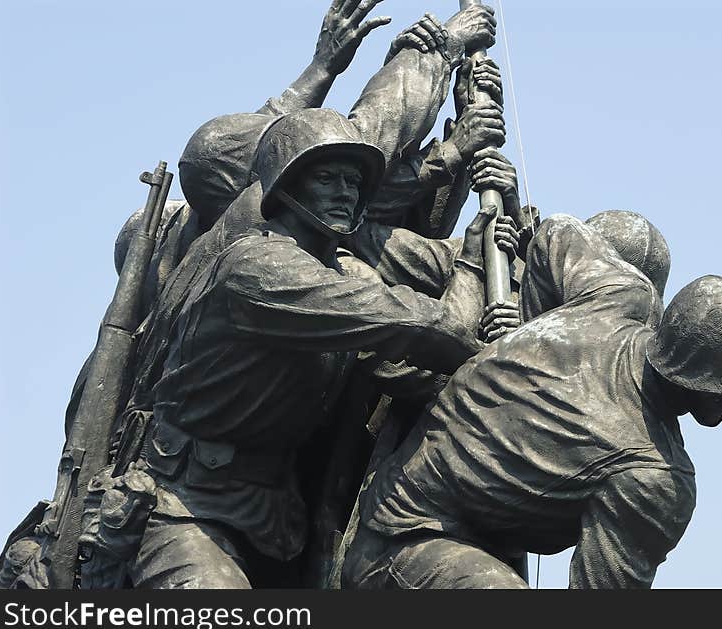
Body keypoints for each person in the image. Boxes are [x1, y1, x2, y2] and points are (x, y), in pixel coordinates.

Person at [126, 110, 518, 589]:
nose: (345, 192)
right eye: (327, 178)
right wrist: (472, 271)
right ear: (286, 186)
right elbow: (418, 324)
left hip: (277, 516)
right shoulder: (258, 266)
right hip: (184, 507)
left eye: (354, 182)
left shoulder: (342, 275)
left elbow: (413, 370)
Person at [343, 214, 722, 589]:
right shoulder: (653, 481)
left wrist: (531, 330)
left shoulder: (619, 294)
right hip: (406, 538)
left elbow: (557, 232)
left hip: (416, 498)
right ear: (693, 372)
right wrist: (526, 337)